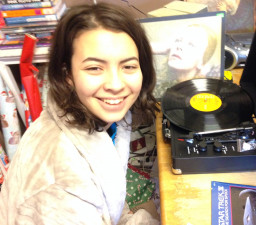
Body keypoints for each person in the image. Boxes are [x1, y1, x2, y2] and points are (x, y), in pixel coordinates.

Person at [0, 3, 160, 225]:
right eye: (95, 68)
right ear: (67, 75)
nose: (116, 85)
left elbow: (109, 197)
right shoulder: (61, 187)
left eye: (129, 66)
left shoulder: (98, 116)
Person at [151, 23, 218, 98]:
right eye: (178, 40)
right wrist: (162, 48)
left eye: (191, 44)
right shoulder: (157, 81)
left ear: (202, 63)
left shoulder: (205, 91)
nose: (179, 46)